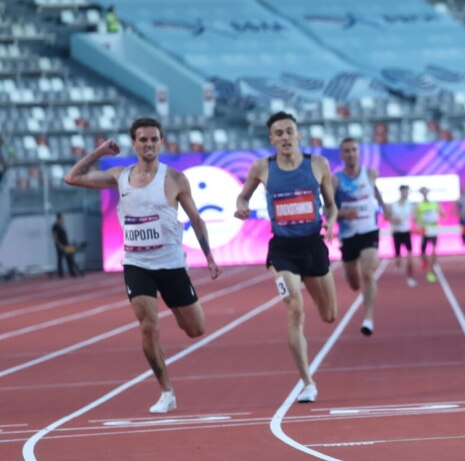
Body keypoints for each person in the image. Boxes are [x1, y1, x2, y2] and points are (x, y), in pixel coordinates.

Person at [63, 117, 221, 413]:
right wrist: (99, 152)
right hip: (137, 263)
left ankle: (179, 312)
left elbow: (196, 219)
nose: (148, 144)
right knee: (148, 326)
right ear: (134, 143)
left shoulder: (175, 179)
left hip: (171, 263)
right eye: (143, 139)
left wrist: (209, 256)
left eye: (153, 139)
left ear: (161, 142)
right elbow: (72, 178)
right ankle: (166, 391)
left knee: (195, 328)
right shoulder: (119, 176)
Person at [234, 111, 338, 404]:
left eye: (289, 131)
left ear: (298, 134)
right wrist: (241, 206)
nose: (285, 137)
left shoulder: (318, 165)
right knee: (295, 309)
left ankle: (308, 378)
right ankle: (307, 382)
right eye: (278, 133)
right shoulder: (262, 167)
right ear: (272, 139)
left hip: (313, 246)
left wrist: (331, 222)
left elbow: (331, 206)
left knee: (329, 315)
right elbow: (243, 196)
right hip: (282, 250)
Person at [334, 137, 385, 336]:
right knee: (354, 283)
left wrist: (385, 208)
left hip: (368, 230)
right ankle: (350, 273)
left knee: (368, 273)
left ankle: (368, 319)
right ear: (342, 154)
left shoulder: (370, 174)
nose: (351, 154)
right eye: (346, 150)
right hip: (348, 235)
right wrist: (342, 213)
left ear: (359, 152)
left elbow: (376, 192)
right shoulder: (336, 180)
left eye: (354, 150)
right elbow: (328, 209)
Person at [388, 184, 418, 286]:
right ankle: (398, 265)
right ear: (400, 192)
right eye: (405, 191)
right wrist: (393, 219)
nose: (406, 193)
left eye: (407, 192)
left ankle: (410, 278)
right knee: (398, 259)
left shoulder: (410, 205)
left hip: (406, 233)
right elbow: (386, 216)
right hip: (396, 233)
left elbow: (415, 218)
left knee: (410, 258)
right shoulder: (393, 205)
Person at [415, 186, 440, 282]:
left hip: (433, 230)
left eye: (426, 191)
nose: (424, 193)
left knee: (433, 251)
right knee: (422, 252)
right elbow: (416, 218)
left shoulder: (434, 203)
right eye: (423, 191)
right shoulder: (419, 205)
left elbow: (442, 213)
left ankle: (431, 270)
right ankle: (426, 262)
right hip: (424, 231)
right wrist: (419, 224)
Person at [50, 212, 82, 278]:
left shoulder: (62, 225)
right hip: (60, 245)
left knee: (69, 258)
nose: (64, 217)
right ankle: (60, 273)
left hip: (66, 244)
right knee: (60, 259)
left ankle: (72, 272)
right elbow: (55, 236)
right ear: (60, 217)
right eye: (63, 216)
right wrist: (59, 245)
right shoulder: (55, 226)